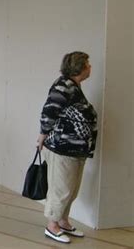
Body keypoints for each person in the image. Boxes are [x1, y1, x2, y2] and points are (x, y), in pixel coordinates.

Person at [37, 51, 97, 244]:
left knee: (71, 189)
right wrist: (41, 137)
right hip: (62, 148)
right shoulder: (63, 85)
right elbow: (49, 112)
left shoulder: (74, 86)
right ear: (79, 67)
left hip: (75, 149)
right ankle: (52, 226)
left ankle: (63, 221)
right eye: (87, 64)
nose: (90, 67)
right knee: (61, 189)